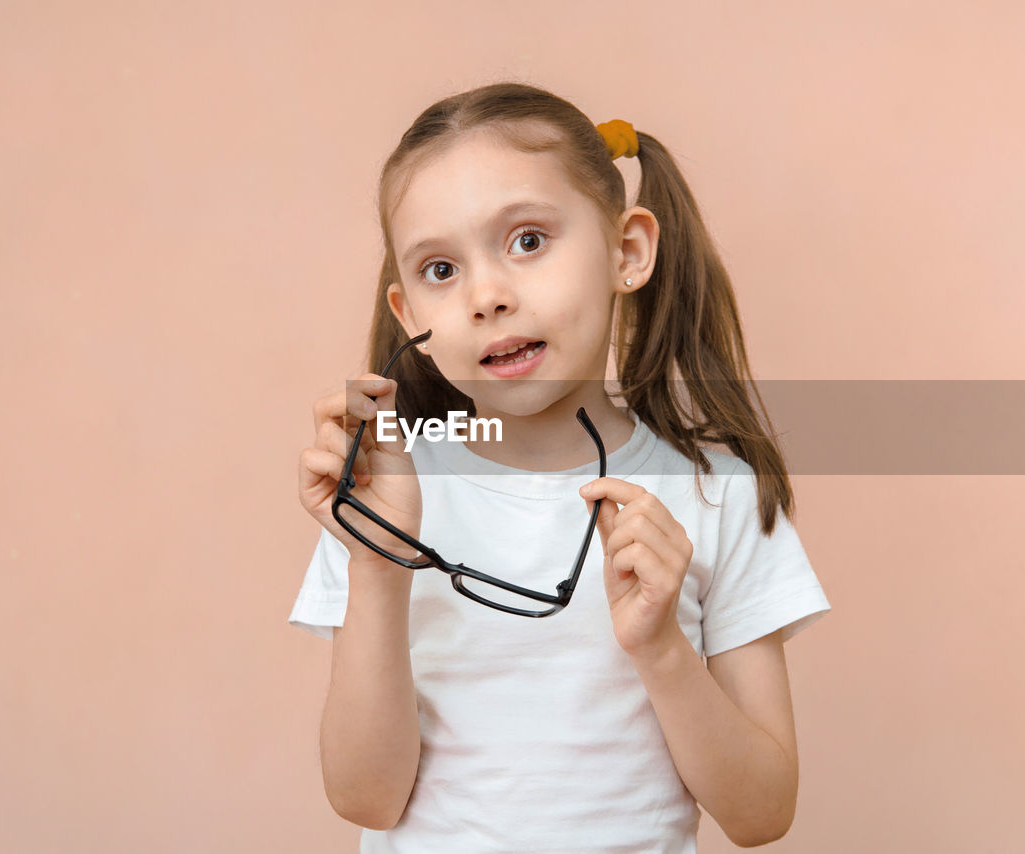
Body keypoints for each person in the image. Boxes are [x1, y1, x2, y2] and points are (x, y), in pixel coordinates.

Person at [291, 81, 831, 853]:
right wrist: (379, 563)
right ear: (411, 317)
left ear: (627, 252)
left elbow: (761, 812)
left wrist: (663, 651)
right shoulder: (385, 491)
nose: (487, 296)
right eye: (440, 270)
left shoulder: (714, 491)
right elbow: (365, 799)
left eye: (528, 241)